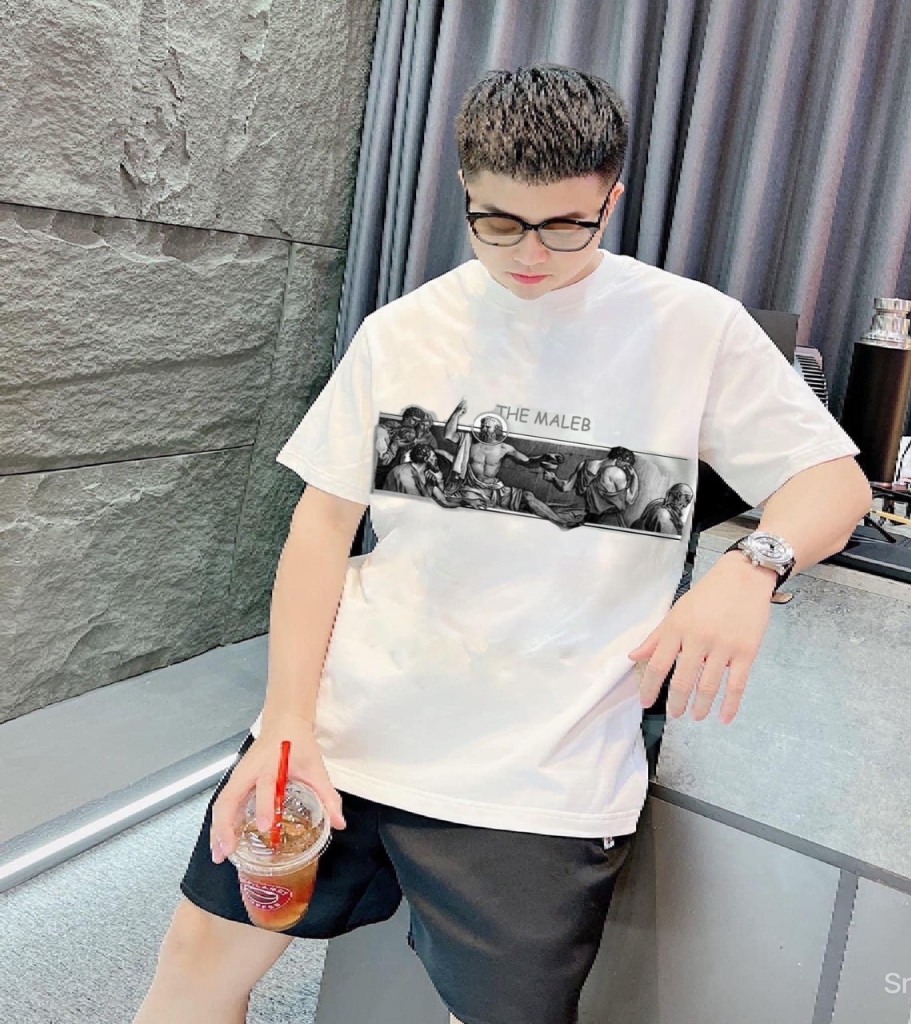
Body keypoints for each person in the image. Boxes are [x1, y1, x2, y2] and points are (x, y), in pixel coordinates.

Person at [133, 63, 872, 1024]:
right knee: (194, 974)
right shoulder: (405, 331)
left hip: (541, 776)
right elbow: (320, 529)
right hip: (345, 733)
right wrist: (284, 719)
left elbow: (834, 484)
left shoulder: (692, 330)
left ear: (612, 199)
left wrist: (751, 567)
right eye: (499, 223)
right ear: (465, 192)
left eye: (567, 226)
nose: (530, 254)